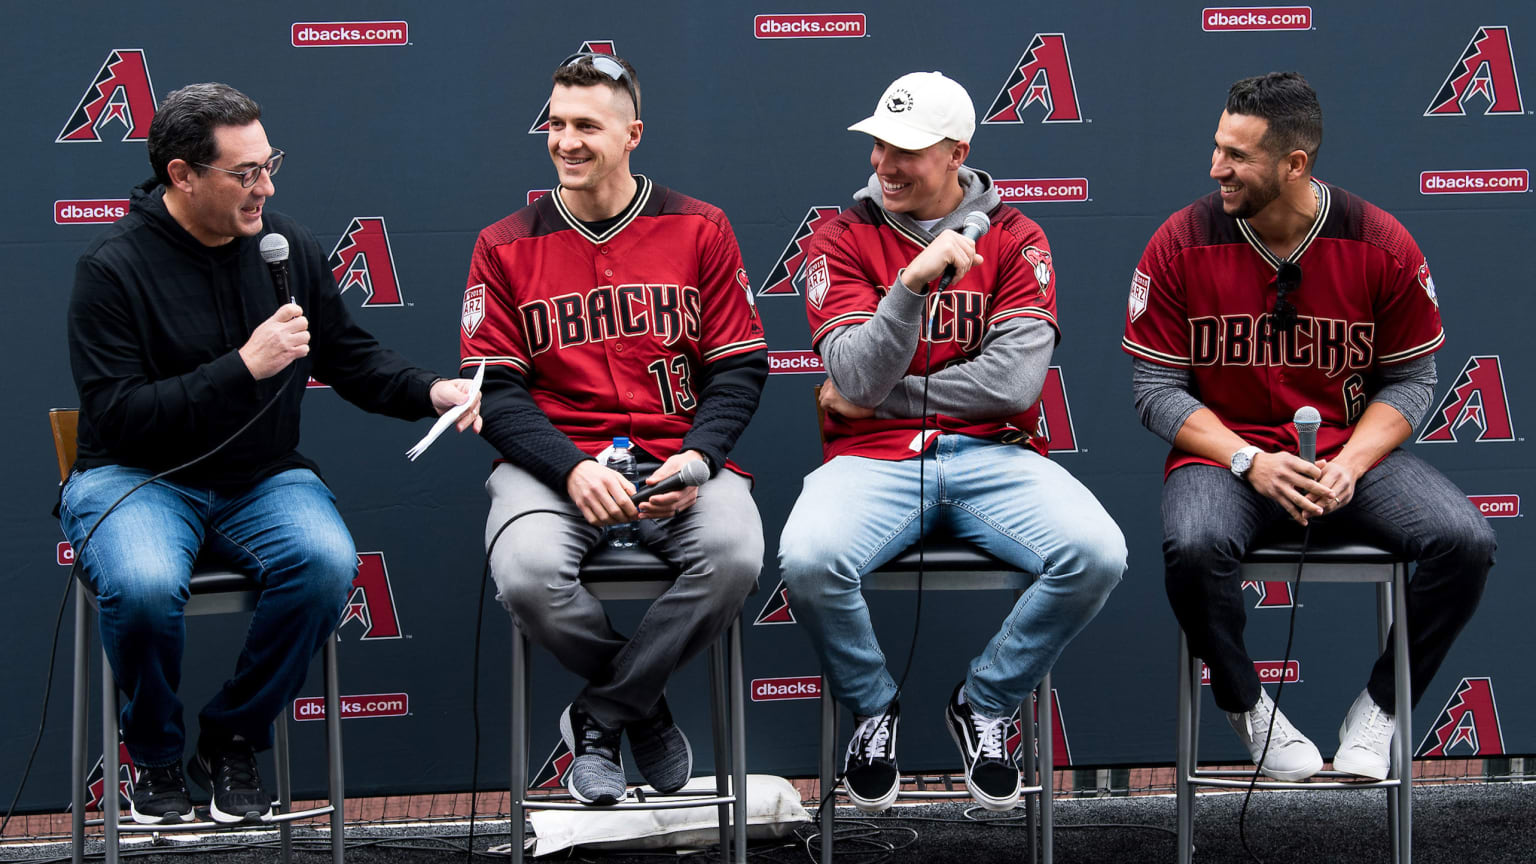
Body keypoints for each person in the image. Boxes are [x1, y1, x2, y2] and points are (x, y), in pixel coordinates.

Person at [61, 83, 482, 825]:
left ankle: (231, 739)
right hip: (136, 477)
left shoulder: (285, 248)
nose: (267, 187)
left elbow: (350, 359)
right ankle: (154, 757)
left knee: (324, 567)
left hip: (260, 478)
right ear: (183, 175)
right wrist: (242, 367)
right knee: (145, 583)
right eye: (246, 172)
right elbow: (119, 416)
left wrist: (432, 390)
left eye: (269, 163)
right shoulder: (112, 268)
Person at [1123, 71, 1495, 782]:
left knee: (1465, 540)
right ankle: (1248, 706)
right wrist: (1247, 461)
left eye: (1237, 155)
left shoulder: (1379, 242)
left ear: (1295, 164)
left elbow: (1413, 380)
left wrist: (1354, 460)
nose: (1215, 168)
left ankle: (1382, 710)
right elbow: (1155, 391)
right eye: (1216, 148)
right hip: (1224, 456)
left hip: (1347, 452)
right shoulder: (1181, 242)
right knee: (1195, 544)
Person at [778, 71, 1125, 813]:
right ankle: (873, 707)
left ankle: (987, 700)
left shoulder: (1018, 237)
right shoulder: (839, 239)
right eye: (879, 143)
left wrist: (877, 398)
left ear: (957, 151)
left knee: (1096, 553)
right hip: (870, 461)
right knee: (808, 560)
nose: (885, 163)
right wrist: (906, 287)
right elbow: (851, 370)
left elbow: (1012, 387)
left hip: (994, 453)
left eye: (906, 148)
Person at [459, 53, 767, 806]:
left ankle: (598, 718)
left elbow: (738, 368)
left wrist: (700, 458)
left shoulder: (701, 228)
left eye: (586, 126)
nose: (565, 140)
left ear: (633, 134)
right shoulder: (504, 244)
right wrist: (568, 468)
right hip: (550, 467)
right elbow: (494, 394)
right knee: (529, 572)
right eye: (556, 124)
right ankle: (641, 707)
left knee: (733, 555)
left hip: (675, 459)